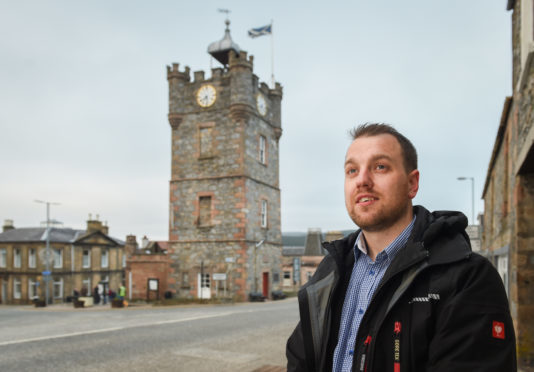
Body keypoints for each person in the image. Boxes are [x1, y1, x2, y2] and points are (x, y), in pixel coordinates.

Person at [286, 123, 516, 371]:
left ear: (412, 184)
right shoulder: (330, 271)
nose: (362, 180)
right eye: (352, 170)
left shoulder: (468, 278)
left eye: (380, 167)